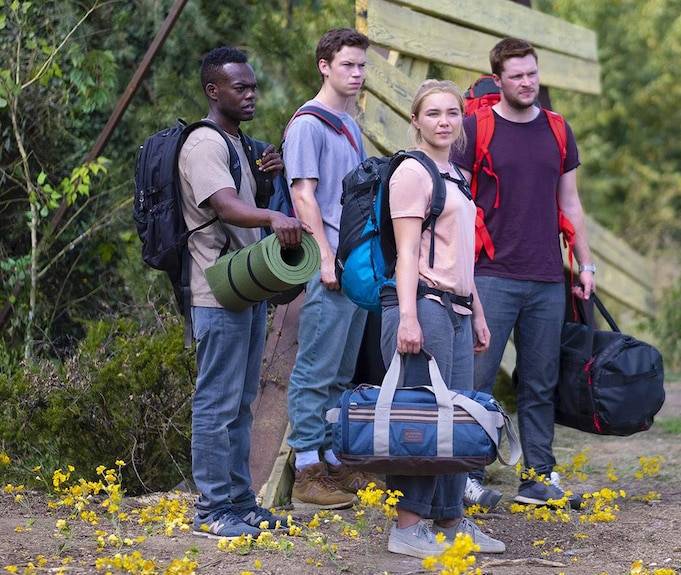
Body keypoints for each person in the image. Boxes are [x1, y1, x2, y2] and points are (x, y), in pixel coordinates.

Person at [451, 38, 597, 509]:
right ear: (498, 79)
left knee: (540, 381)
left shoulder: (558, 129)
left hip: (548, 277)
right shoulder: (476, 128)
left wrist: (585, 263)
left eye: (532, 73)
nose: (527, 82)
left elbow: (570, 202)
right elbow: (454, 203)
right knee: (477, 382)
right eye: (517, 76)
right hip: (489, 274)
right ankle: (465, 478)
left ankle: (538, 477)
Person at [180, 46, 308, 539]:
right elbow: (226, 207)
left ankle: (239, 501)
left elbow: (242, 196)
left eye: (253, 86)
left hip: (246, 288)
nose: (251, 94)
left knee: (241, 402)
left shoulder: (238, 143)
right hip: (216, 292)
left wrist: (265, 177)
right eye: (240, 87)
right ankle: (212, 510)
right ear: (214, 91)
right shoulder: (204, 144)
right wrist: (274, 216)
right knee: (217, 401)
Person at [381, 79, 505, 558]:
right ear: (416, 120)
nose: (445, 122)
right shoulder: (412, 173)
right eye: (433, 114)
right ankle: (407, 528)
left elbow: (463, 254)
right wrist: (408, 318)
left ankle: (452, 521)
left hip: (455, 307)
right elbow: (408, 252)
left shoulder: (454, 173)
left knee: (457, 420)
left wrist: (476, 311)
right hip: (424, 306)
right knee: (422, 419)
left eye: (453, 113)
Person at [283, 28, 381, 509]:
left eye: (362, 66)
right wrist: (324, 256)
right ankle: (306, 471)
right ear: (324, 65)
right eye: (348, 65)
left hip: (356, 265)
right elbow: (304, 195)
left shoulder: (350, 124)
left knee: (342, 372)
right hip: (330, 263)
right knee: (315, 370)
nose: (357, 73)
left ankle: (334, 462)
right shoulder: (309, 124)